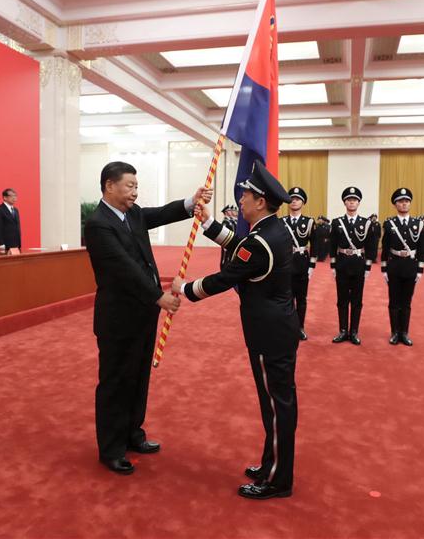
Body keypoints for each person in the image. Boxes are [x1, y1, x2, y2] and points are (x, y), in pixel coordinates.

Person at [174, 160, 298, 500]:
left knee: (276, 406)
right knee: (276, 403)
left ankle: (277, 480)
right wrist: (208, 223)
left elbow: (226, 277)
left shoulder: (259, 241)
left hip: (268, 333)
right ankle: (272, 464)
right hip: (278, 327)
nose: (240, 200)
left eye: (245, 195)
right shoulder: (272, 230)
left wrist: (184, 289)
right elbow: (238, 247)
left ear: (260, 202)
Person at [84, 161, 211, 476]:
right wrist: (159, 296)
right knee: (116, 382)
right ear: (109, 185)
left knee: (139, 377)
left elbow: (162, 213)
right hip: (118, 318)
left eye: (136, 187)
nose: (135, 192)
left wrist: (191, 202)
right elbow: (123, 267)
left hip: (143, 314)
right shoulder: (99, 224)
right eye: (129, 186)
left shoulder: (133, 214)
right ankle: (111, 449)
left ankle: (132, 434)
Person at [330, 186, 377, 345]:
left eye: (355, 200)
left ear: (358, 203)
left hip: (358, 264)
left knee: (357, 300)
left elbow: (371, 246)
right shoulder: (337, 223)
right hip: (342, 263)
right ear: (345, 202)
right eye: (349, 200)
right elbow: (332, 246)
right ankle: (343, 330)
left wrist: (368, 266)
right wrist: (333, 266)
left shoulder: (366, 223)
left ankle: (354, 331)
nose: (352, 202)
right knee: (342, 299)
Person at [381, 188, 424, 346]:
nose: (404, 204)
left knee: (406, 302)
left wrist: (420, 269)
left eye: (407, 201)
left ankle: (404, 332)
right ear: (395, 205)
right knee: (394, 301)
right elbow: (385, 247)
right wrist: (384, 268)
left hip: (410, 266)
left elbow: (422, 248)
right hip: (394, 266)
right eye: (401, 201)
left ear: (410, 204)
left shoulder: (418, 224)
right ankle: (394, 332)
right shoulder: (389, 224)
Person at [282, 187, 316, 340]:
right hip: (285, 264)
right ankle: (288, 328)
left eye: (298, 199)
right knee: (286, 299)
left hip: (302, 263)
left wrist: (312, 266)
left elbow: (315, 245)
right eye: (292, 198)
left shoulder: (309, 222)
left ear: (303, 202)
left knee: (301, 299)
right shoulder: (281, 222)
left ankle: (300, 327)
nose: (294, 201)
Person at [0, 188, 22, 253]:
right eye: (12, 196)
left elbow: (17, 227)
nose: (14, 198)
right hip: (5, 244)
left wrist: (19, 243)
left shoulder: (15, 210)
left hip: (16, 244)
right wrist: (1, 244)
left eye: (15, 196)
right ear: (5, 197)